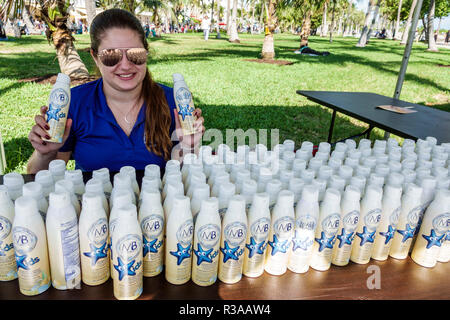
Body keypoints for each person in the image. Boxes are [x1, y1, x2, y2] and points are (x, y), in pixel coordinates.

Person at [27, 8, 205, 174]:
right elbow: (39, 177)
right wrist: (45, 154)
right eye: (111, 56)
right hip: (94, 206)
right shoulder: (75, 103)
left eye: (136, 54)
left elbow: (185, 176)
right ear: (95, 57)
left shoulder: (172, 100)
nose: (126, 66)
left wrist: (189, 148)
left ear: (146, 53)